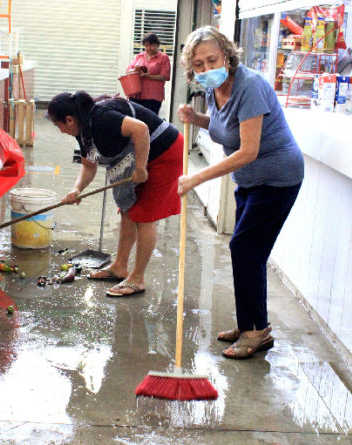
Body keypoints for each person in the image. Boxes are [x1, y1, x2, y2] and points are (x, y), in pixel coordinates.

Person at [177, 26, 304, 359]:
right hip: (249, 181)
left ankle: (255, 332)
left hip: (277, 178)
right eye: (198, 65)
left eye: (212, 60)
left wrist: (197, 177)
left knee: (244, 247)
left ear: (227, 56)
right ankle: (250, 324)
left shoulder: (251, 87)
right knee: (247, 252)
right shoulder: (213, 87)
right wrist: (197, 118)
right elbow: (225, 128)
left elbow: (247, 149)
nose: (205, 69)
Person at [47, 91, 182, 297]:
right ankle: (120, 267)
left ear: (69, 119)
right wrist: (77, 189)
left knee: (144, 216)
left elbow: (141, 129)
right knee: (128, 210)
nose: (60, 130)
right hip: (140, 156)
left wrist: (140, 167)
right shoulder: (82, 130)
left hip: (164, 152)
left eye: (58, 125)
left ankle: (138, 279)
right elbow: (88, 166)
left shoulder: (101, 118)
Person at [125, 33, 171, 115]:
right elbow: (128, 71)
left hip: (153, 96)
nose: (148, 48)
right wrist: (135, 70)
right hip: (136, 94)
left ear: (157, 44)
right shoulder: (140, 56)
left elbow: (165, 76)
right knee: (134, 119)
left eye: (151, 45)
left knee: (150, 120)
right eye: (146, 46)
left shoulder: (163, 58)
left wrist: (148, 76)